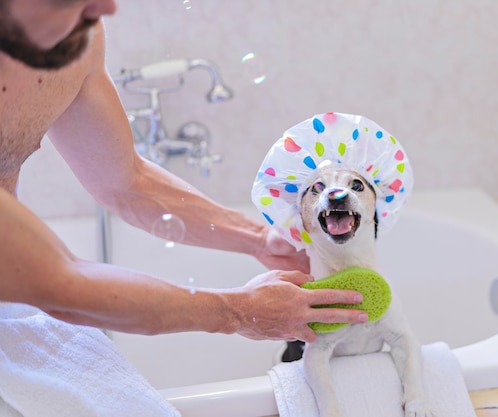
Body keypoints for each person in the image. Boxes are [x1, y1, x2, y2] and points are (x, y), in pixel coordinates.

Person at [0, 2, 368, 356]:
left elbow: (127, 180)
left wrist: (258, 239)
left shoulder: (80, 37)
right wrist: (239, 310)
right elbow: (61, 285)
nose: (106, 7)